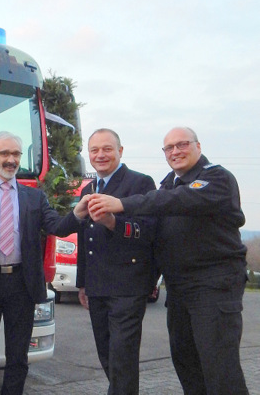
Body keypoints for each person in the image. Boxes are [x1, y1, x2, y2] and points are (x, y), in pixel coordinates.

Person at [86, 126, 249, 395]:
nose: (176, 151)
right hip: (179, 289)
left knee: (220, 369)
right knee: (187, 364)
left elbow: (175, 201)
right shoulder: (168, 183)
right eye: (169, 148)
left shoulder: (216, 178)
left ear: (198, 146)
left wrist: (122, 204)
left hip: (214, 287)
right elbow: (157, 239)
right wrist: (150, 279)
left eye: (182, 144)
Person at [0, 131, 80, 395]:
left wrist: (78, 213)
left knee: (18, 359)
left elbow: (57, 225)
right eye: (4, 154)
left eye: (16, 154)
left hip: (21, 285)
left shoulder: (34, 197)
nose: (11, 160)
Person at [74, 128, 157, 395]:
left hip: (127, 287)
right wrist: (82, 284)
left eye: (107, 149)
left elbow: (148, 231)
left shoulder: (140, 183)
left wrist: (113, 222)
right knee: (108, 357)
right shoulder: (88, 189)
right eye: (94, 150)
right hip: (97, 287)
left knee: (122, 360)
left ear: (120, 151)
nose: (100, 155)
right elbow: (84, 238)